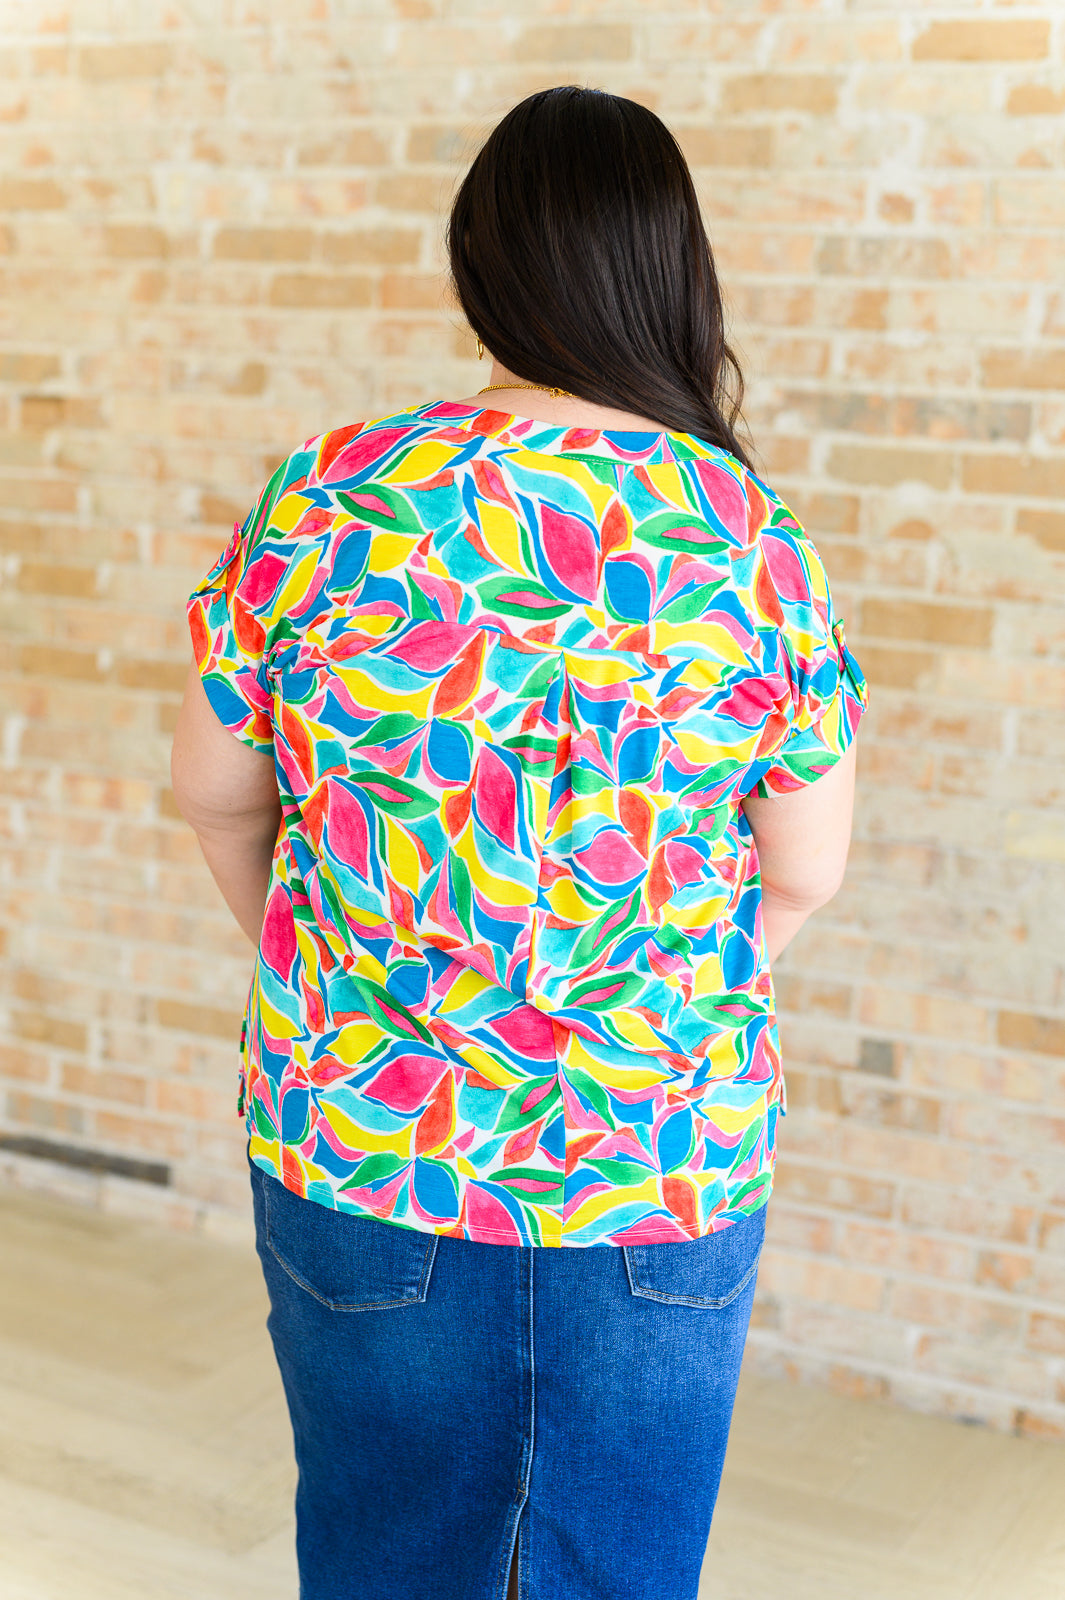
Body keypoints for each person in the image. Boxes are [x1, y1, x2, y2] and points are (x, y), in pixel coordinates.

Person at [171, 86, 865, 1600]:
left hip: (359, 1137)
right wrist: (659, 990)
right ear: (674, 272)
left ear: (475, 262)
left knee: (381, 1557)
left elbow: (221, 798)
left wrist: (353, 975)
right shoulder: (747, 534)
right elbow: (805, 867)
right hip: (657, 1157)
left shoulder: (329, 492)